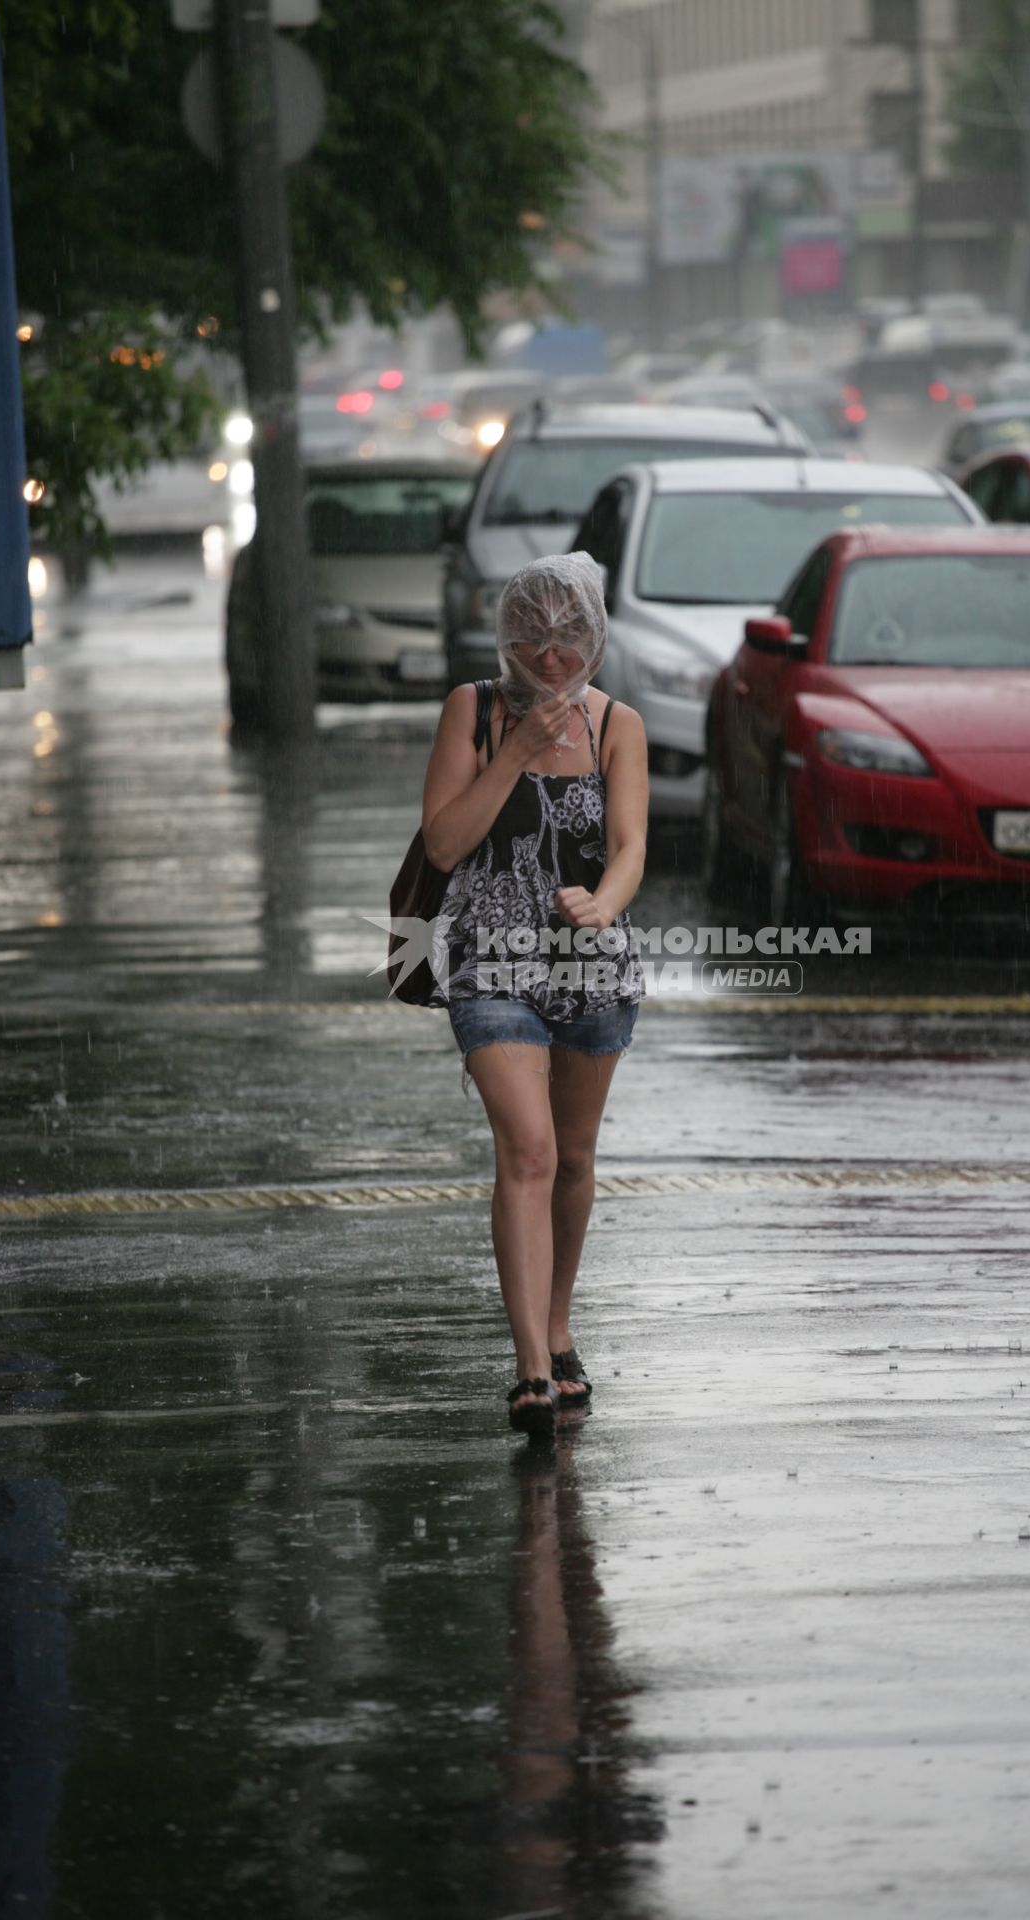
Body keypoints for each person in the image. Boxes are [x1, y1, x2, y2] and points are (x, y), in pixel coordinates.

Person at [419, 554, 648, 1438]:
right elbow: (442, 845)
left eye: (569, 637)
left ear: (593, 637)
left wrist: (607, 902)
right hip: (491, 963)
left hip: (593, 966)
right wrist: (513, 751)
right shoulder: (472, 712)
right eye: (532, 636)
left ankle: (558, 1328)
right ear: (506, 635)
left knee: (576, 1160)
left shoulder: (615, 724)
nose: (550, 657)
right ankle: (529, 1371)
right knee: (530, 1150)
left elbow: (629, 846)